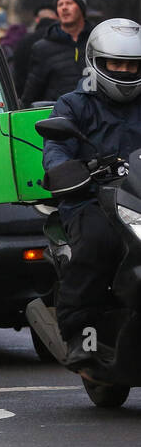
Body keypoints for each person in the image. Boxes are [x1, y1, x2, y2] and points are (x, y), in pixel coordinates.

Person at [42, 19, 141, 367]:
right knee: (99, 244)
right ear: (96, 61)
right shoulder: (73, 104)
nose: (124, 72)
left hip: (137, 199)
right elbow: (56, 148)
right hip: (91, 198)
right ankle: (79, 332)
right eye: (116, 64)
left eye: (132, 65)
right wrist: (66, 171)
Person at [22, 0, 94, 105]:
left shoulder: (96, 42)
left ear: (81, 8)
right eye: (60, 5)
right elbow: (32, 92)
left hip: (93, 112)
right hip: (59, 113)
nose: (64, 8)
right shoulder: (42, 48)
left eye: (69, 3)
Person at [13, 4, 57, 96]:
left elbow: (18, 74)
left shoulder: (25, 41)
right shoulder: (64, 39)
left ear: (37, 19)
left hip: (30, 97)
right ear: (56, 18)